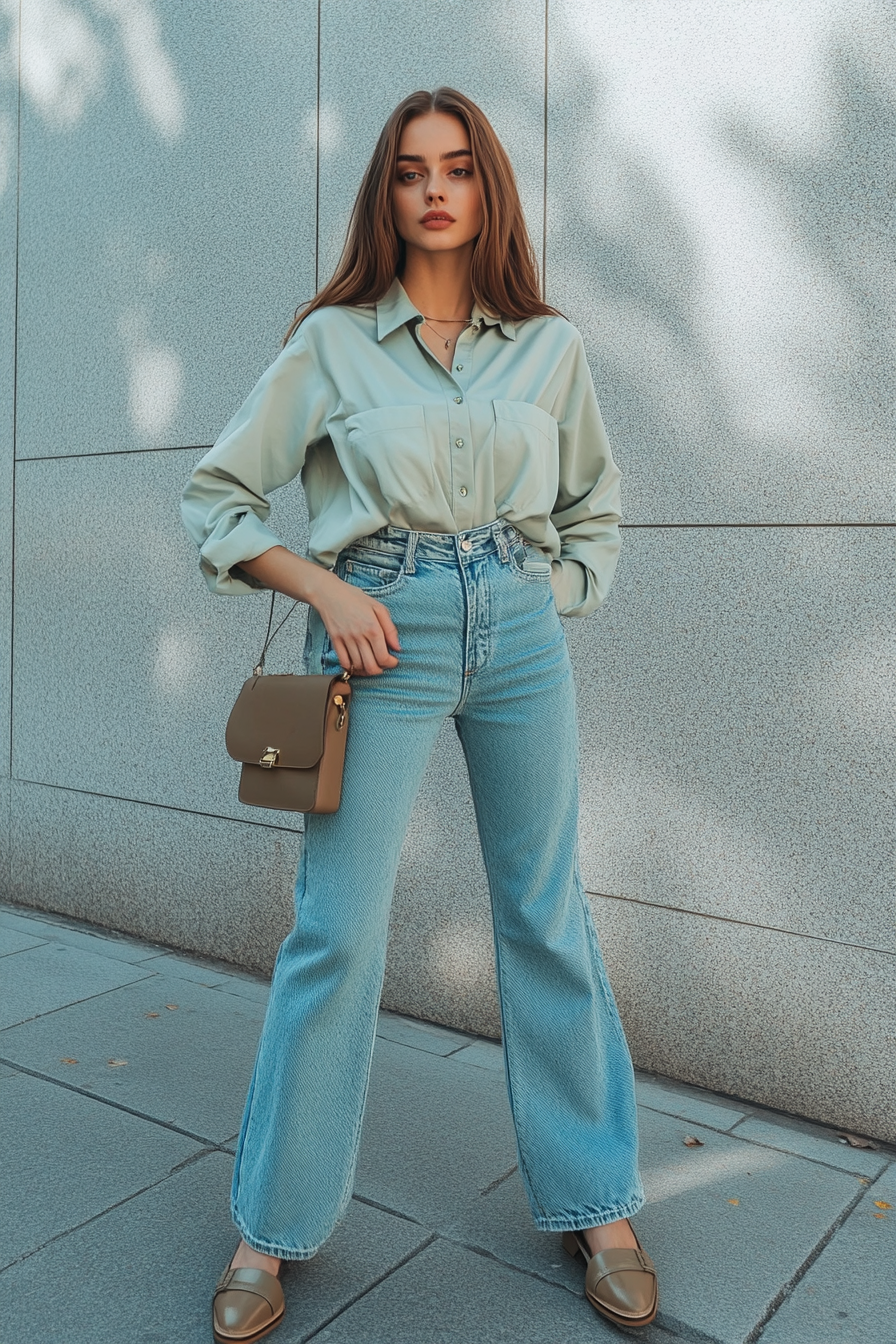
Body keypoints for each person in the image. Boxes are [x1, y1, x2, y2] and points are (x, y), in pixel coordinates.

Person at [181, 86, 658, 1342]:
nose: (433, 188)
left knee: (546, 912)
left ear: (486, 188)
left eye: (455, 168)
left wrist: (535, 593)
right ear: (384, 195)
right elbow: (218, 502)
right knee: (334, 932)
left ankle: (596, 1202)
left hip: (515, 634)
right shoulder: (333, 342)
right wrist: (327, 584)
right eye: (408, 171)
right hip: (373, 632)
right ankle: (268, 1230)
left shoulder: (549, 349)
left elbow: (593, 515)